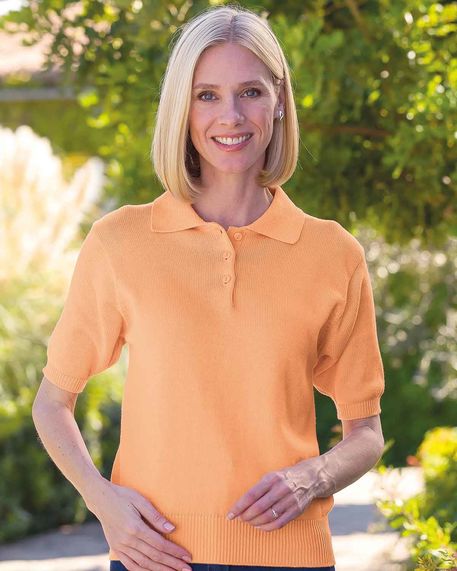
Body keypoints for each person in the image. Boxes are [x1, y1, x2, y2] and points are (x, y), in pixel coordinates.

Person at [32, 4, 386, 571]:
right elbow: (52, 403)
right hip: (156, 555)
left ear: (279, 100)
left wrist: (314, 476)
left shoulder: (332, 254)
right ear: (182, 107)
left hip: (290, 555)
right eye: (207, 95)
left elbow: (365, 432)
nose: (231, 116)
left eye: (250, 92)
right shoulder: (121, 242)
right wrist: (104, 503)